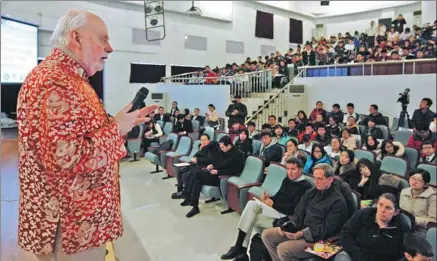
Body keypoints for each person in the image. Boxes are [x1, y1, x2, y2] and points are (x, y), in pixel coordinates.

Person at [16, 10, 158, 259]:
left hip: (80, 222)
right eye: (103, 39)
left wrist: (119, 123)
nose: (110, 48)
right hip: (70, 228)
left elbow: (80, 137)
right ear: (76, 38)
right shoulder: (55, 82)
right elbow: (66, 158)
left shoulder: (71, 79)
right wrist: (116, 130)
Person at [220, 158, 312, 260]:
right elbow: (277, 196)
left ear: (300, 170)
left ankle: (240, 249)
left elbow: (293, 209)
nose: (290, 172)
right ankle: (241, 249)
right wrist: (268, 199)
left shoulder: (305, 187)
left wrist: (273, 204)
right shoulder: (287, 180)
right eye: (288, 169)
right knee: (251, 206)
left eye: (293, 169)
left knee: (250, 214)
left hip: (286, 217)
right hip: (277, 211)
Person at [262, 163, 349, 261]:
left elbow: (328, 229)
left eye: (319, 179)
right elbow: (298, 213)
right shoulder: (311, 192)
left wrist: (303, 234)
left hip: (322, 241)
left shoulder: (338, 202)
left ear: (330, 179)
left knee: (283, 249)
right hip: (302, 230)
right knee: (267, 235)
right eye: (314, 178)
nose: (316, 182)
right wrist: (288, 227)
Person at [182, 136, 245, 217]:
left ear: (229, 145)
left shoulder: (238, 154)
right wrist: (211, 166)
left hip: (223, 178)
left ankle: (187, 196)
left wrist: (218, 171)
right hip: (215, 174)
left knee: (197, 174)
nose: (221, 149)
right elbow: (216, 161)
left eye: (222, 147)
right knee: (197, 180)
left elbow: (235, 171)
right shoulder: (221, 151)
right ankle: (194, 206)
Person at [337, 193, 410, 261]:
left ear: (396, 212)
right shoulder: (363, 215)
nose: (382, 210)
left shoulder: (402, 226)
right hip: (355, 255)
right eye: (380, 205)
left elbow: (402, 254)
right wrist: (357, 255)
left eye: (388, 208)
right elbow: (345, 233)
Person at [171, 133, 219, 199]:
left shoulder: (212, 148)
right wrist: (200, 150)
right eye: (201, 140)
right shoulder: (203, 148)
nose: (203, 142)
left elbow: (210, 159)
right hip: (197, 165)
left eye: (205, 140)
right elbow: (195, 156)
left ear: (209, 140)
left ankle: (186, 193)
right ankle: (181, 191)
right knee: (181, 171)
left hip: (204, 168)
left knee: (187, 174)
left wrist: (198, 160)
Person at [400, 169, 436, 236]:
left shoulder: (433, 197)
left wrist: (414, 220)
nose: (414, 181)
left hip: (421, 231)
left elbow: (433, 221)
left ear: (425, 184)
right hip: (404, 227)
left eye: (418, 180)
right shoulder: (404, 192)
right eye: (413, 178)